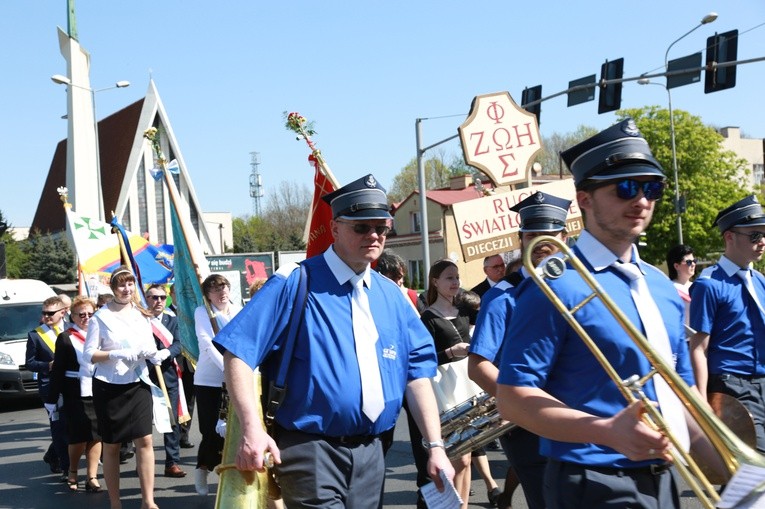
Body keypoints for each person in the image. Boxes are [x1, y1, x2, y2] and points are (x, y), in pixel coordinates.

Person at [214, 174, 454, 509]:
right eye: (361, 227)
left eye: (381, 228)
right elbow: (238, 353)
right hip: (309, 449)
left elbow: (418, 374)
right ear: (336, 228)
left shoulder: (393, 296)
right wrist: (251, 430)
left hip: (373, 451)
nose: (373, 236)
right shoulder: (296, 281)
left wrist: (436, 447)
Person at [497, 118, 697, 507]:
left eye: (651, 187)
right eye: (625, 187)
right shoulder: (555, 286)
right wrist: (604, 430)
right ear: (584, 199)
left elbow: (684, 395)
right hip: (592, 482)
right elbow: (513, 398)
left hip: (665, 479)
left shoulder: (661, 288)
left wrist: (740, 476)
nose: (641, 200)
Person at [468, 190, 571, 509]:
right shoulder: (502, 297)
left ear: (565, 236)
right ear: (521, 237)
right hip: (528, 425)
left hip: (580, 414)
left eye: (550, 234)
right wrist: (519, 403)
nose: (542, 242)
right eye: (533, 234)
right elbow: (478, 365)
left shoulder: (582, 285)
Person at [690, 196, 765, 452]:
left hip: (762, 380)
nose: (762, 242)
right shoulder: (709, 283)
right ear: (729, 237)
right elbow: (698, 347)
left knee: (745, 474)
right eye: (755, 235)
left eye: (764, 234)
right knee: (755, 462)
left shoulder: (760, 281)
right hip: (732, 384)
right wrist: (700, 401)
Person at [83, 266, 161, 509]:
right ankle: (115, 503)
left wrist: (154, 354)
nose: (126, 289)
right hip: (109, 387)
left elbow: (148, 345)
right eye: (121, 284)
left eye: (130, 284)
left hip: (138, 383)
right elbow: (88, 354)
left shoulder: (141, 314)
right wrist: (114, 354)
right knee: (112, 445)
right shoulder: (100, 317)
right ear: (113, 288)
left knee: (145, 440)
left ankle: (148, 501)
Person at [420, 258, 478, 508]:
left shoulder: (465, 311)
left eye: (456, 277)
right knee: (457, 456)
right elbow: (424, 358)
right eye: (449, 277)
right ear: (435, 281)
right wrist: (450, 353)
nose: (455, 282)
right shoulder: (428, 317)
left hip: (468, 382)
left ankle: (462, 505)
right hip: (443, 387)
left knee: (469, 454)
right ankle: (450, 503)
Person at [46, 295, 102, 493]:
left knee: (96, 435)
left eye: (89, 314)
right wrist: (51, 399)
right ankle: (72, 471)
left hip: (97, 389)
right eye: (81, 314)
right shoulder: (66, 337)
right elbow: (58, 370)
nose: (86, 317)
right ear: (73, 316)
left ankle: (92, 476)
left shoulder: (100, 334)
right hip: (74, 391)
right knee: (78, 437)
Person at [193, 274, 242, 496]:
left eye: (224, 287)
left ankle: (233, 475)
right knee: (211, 430)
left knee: (237, 429)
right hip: (210, 381)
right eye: (215, 289)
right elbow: (206, 344)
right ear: (208, 295)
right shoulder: (203, 313)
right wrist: (227, 368)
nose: (221, 292)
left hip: (237, 378)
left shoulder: (237, 310)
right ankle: (203, 467)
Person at [26, 295, 70, 479]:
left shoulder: (69, 330)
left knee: (72, 425)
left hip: (71, 385)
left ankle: (53, 454)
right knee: (58, 426)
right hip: (50, 387)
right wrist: (47, 365)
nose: (47, 316)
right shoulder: (36, 335)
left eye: (51, 313)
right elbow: (30, 363)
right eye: (44, 313)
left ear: (62, 313)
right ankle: (63, 464)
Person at [145, 284, 186, 478]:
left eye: (162, 297)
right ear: (146, 299)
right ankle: (143, 461)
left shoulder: (172, 320)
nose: (159, 301)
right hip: (143, 377)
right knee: (143, 423)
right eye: (154, 297)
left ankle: (172, 462)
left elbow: (179, 343)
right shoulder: (139, 320)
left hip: (167, 375)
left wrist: (166, 353)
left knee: (171, 420)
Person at [169, 283, 196, 450]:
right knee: (174, 400)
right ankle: (172, 434)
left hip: (190, 363)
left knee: (189, 400)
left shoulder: (192, 312)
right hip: (173, 363)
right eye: (176, 293)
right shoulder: (165, 314)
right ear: (171, 294)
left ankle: (184, 435)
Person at [376, 249, 425, 313]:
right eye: (393, 278)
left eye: (400, 277)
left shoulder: (411, 296)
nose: (399, 282)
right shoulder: (374, 300)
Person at [666, 244, 696, 330]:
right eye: (689, 262)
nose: (693, 264)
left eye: (694, 261)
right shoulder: (669, 289)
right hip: (682, 338)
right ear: (676, 266)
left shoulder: (697, 286)